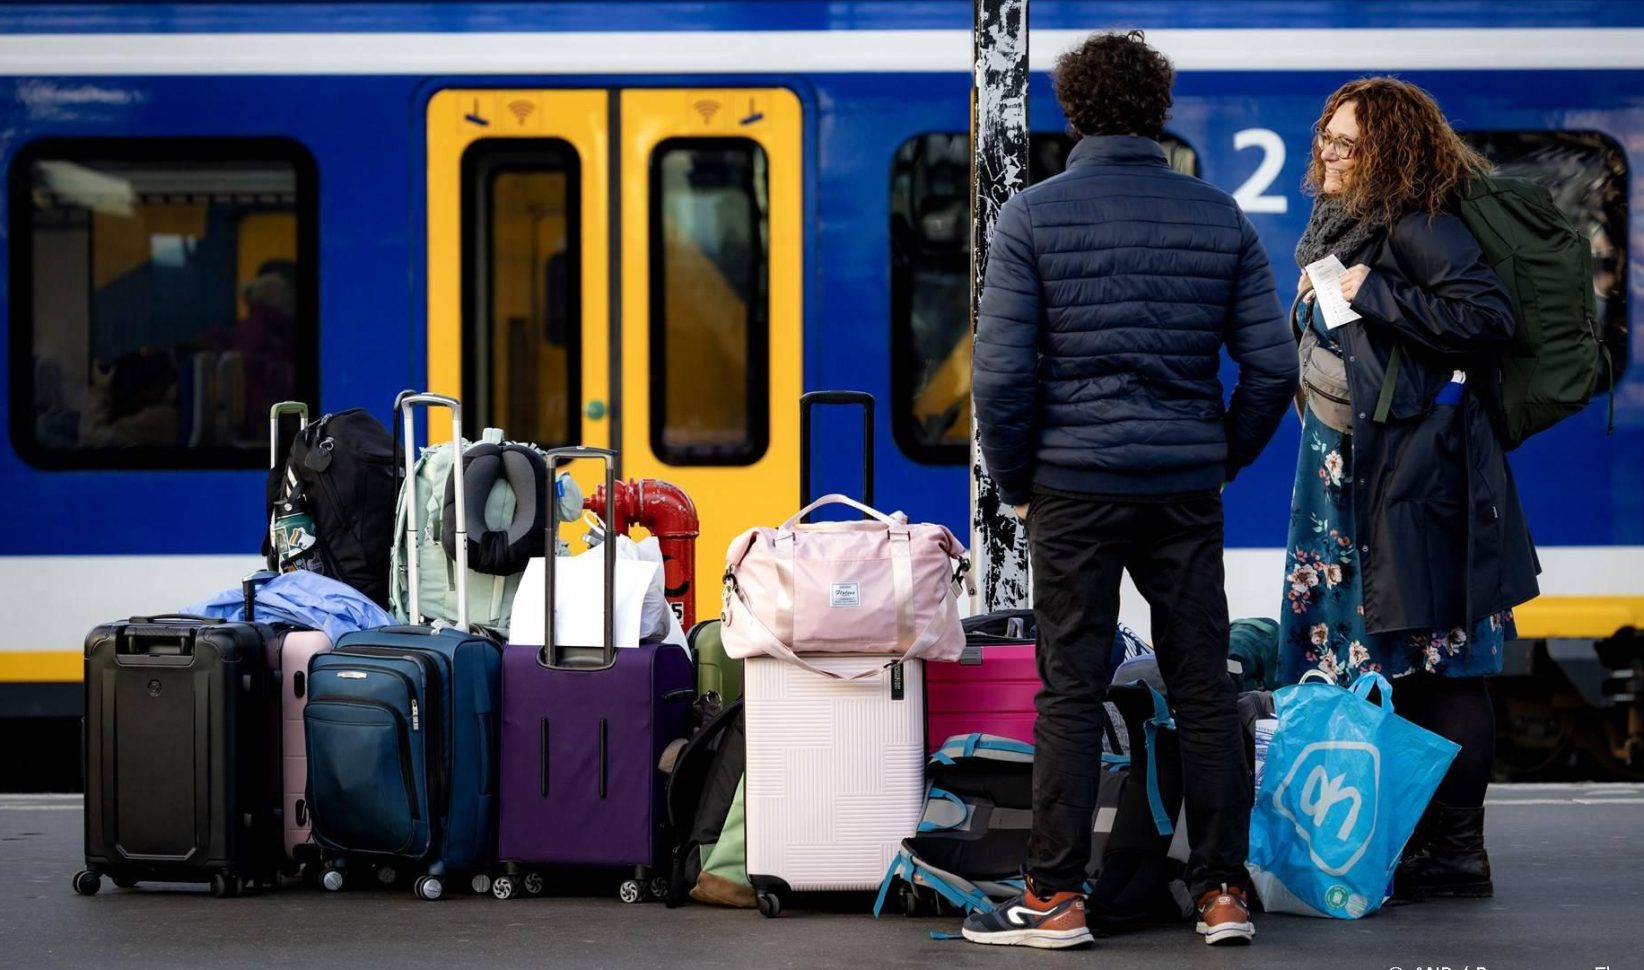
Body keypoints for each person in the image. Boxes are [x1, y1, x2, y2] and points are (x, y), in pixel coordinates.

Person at [966, 30, 1297, 948]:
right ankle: (1222, 891)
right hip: (1184, 486)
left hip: (1073, 487)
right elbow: (1272, 368)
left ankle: (1057, 896)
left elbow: (999, 379)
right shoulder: (1218, 216)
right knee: (1203, 686)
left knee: (1070, 689)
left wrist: (1022, 480)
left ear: (1072, 111)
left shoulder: (1031, 216)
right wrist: (1220, 455)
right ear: (1160, 109)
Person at [1279, 77, 1540, 900]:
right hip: (1356, 478)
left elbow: (1489, 318)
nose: (1330, 151)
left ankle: (1456, 853)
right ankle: (1407, 839)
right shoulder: (1342, 228)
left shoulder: (1420, 225)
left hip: (1414, 481)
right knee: (1386, 661)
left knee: (1443, 662)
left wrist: (1374, 292)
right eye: (1327, 136)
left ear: (1389, 151)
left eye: (1349, 142)